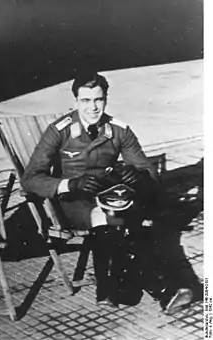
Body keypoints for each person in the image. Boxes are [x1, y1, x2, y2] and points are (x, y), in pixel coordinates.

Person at [21, 70, 194, 312]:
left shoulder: (118, 130)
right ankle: (156, 288)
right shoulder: (59, 131)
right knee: (115, 218)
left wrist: (140, 175)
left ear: (105, 99)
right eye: (85, 100)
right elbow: (30, 179)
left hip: (107, 196)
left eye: (98, 100)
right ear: (75, 102)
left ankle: (116, 291)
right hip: (71, 201)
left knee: (126, 215)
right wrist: (68, 184)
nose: (92, 108)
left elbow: (147, 169)